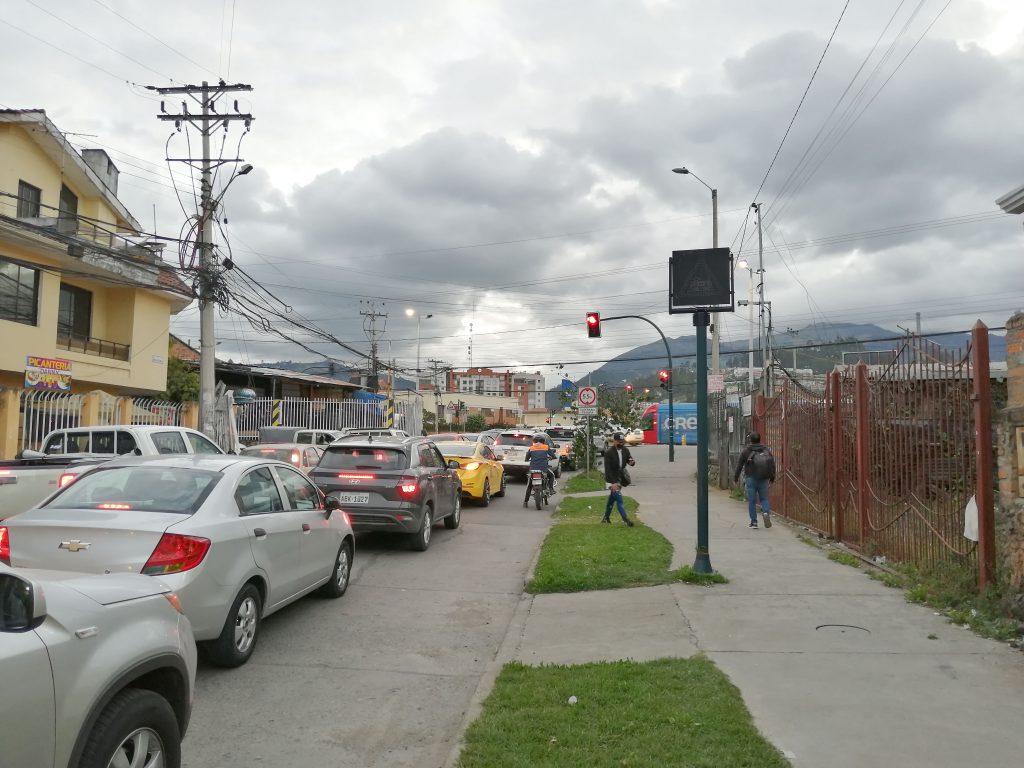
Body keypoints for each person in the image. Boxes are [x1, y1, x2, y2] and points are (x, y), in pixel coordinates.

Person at [734, 431, 775, 529]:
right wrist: (772, 477)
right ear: (759, 439)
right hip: (764, 478)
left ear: (750, 440)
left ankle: (754, 522)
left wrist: (735, 478)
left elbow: (739, 465)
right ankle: (765, 512)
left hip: (751, 478)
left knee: (752, 501)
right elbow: (772, 464)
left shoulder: (746, 451)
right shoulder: (766, 450)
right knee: (764, 499)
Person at [602, 432, 635, 526]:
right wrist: (613, 483)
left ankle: (606, 518)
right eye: (619, 442)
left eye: (622, 442)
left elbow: (629, 459)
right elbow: (607, 470)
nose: (621, 444)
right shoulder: (609, 453)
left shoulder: (625, 450)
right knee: (619, 498)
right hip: (611, 478)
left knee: (612, 499)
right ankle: (625, 519)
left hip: (620, 477)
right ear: (614, 441)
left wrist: (631, 462)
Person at [523, 434, 557, 507]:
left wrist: (528, 459)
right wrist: (551, 457)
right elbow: (553, 456)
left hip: (533, 470)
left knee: (529, 485)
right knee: (551, 475)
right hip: (543, 469)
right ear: (543, 441)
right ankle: (551, 489)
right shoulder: (546, 447)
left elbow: (526, 458)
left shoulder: (531, 448)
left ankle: (525, 502)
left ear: (534, 441)